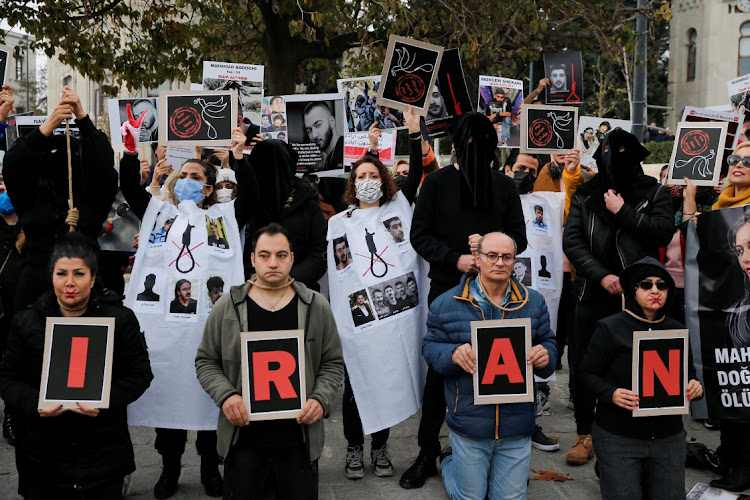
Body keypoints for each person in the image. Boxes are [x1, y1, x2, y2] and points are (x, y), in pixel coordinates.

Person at [120, 129, 252, 499]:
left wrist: (238, 157)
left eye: (197, 177)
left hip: (207, 331)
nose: (189, 181)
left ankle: (211, 469)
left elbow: (253, 196)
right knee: (169, 396)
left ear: (210, 188)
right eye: (184, 176)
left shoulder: (224, 217)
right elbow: (130, 187)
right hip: (166, 334)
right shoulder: (158, 213)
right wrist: (132, 153)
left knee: (210, 399)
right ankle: (170, 468)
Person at [405, 111, 527, 489]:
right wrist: (453, 258)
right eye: (469, 142)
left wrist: (493, 248)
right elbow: (419, 235)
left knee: (500, 366)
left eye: (483, 142)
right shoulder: (437, 183)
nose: (475, 149)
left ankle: (494, 445)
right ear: (457, 145)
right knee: (443, 367)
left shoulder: (503, 188)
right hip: (448, 290)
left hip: (500, 293)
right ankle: (428, 450)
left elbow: (519, 237)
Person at [195, 223, 344, 498]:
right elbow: (206, 361)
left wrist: (320, 399)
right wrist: (226, 396)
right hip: (243, 442)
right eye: (264, 255)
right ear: (252, 259)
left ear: (291, 258)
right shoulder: (228, 306)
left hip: (298, 442)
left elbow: (332, 363)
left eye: (281, 255)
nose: (272, 263)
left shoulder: (315, 306)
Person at [0, 233, 153, 499]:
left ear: (93, 278)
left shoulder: (120, 319)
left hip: (103, 453)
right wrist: (35, 402)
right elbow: (7, 378)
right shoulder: (27, 321)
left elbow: (140, 373)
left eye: (79, 274)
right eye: (62, 274)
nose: (70, 283)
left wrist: (106, 400)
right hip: (41, 457)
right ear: (52, 276)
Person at [563, 128, 674, 465]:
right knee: (583, 363)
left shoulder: (654, 192)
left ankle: (633, 434)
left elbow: (662, 230)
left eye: (624, 150)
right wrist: (602, 275)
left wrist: (623, 210)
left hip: (639, 296)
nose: (616, 156)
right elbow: (573, 241)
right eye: (610, 150)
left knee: (633, 364)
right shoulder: (585, 194)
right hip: (591, 293)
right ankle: (585, 433)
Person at [329, 105, 426, 480]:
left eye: (373, 173)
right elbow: (337, 273)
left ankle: (380, 446)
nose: (368, 178)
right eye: (361, 175)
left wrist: (413, 134)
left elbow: (415, 174)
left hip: (396, 316)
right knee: (357, 384)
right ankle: (354, 449)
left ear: (383, 179)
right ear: (353, 183)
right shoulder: (340, 222)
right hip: (361, 320)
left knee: (386, 380)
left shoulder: (398, 205)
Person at [422, 231, 556, 500]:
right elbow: (430, 348)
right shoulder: (446, 303)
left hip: (517, 423)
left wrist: (546, 356)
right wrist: (452, 353)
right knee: (470, 496)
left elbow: (548, 342)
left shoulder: (534, 302)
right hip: (470, 421)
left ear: (514, 261)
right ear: (477, 258)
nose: (499, 262)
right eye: (492, 255)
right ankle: (449, 463)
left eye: (506, 257)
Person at [578, 257, 703, 499]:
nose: (655, 291)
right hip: (618, 435)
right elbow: (585, 373)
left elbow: (690, 374)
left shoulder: (677, 329)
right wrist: (610, 393)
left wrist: (695, 386)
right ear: (633, 290)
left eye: (662, 285)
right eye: (646, 285)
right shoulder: (610, 327)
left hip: (668, 437)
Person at [4, 86, 117, 311]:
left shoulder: (92, 195)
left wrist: (82, 118)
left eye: (68, 153)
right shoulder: (30, 195)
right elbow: (13, 164)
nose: (60, 157)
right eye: (51, 152)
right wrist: (49, 125)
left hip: (85, 286)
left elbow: (103, 163)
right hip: (36, 285)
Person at [244, 139, 327, 290]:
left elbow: (319, 251)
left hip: (300, 291)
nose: (270, 171)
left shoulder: (307, 204)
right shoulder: (246, 203)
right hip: (253, 290)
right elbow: (237, 248)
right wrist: (255, 277)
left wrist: (288, 280)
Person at [303, 102, 344, 172]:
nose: (314, 135)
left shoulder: (344, 151)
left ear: (332, 122)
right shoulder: (328, 158)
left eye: (318, 125)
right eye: (309, 130)